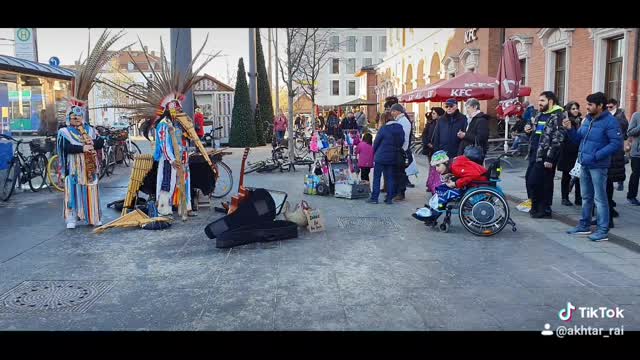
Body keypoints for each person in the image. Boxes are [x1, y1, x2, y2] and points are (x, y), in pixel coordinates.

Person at [565, 92, 623, 242]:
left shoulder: (610, 122)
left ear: (600, 106)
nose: (587, 107)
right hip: (584, 163)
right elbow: (579, 138)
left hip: (598, 165)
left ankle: (603, 230)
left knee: (600, 199)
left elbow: (616, 144)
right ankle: (584, 225)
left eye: (590, 105)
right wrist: (570, 129)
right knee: (586, 197)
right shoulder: (588, 119)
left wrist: (596, 155)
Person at [57, 103, 104, 229]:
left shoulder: (90, 130)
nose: (77, 119)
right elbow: (65, 148)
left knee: (91, 190)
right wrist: (82, 148)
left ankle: (94, 217)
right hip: (74, 167)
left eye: (79, 116)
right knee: (72, 190)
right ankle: (71, 217)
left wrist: (94, 143)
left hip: (90, 167)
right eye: (74, 117)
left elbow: (100, 142)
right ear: (68, 118)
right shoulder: (64, 132)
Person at [412, 150, 488, 226]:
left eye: (438, 165)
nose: (436, 169)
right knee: (441, 188)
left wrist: (455, 183)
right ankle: (434, 208)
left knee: (445, 194)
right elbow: (464, 173)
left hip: (477, 184)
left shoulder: (455, 166)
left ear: (445, 162)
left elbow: (472, 175)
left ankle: (435, 212)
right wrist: (452, 177)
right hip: (473, 183)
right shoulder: (454, 162)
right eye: (435, 167)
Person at [525, 91, 566, 219]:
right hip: (534, 153)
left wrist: (550, 157)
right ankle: (535, 206)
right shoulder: (540, 115)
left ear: (551, 101)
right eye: (539, 100)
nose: (539, 103)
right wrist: (528, 131)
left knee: (543, 183)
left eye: (542, 101)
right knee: (531, 180)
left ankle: (544, 209)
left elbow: (558, 138)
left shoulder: (558, 116)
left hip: (546, 156)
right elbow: (536, 133)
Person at [153, 100, 194, 217]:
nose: (179, 112)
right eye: (177, 110)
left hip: (182, 158)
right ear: (170, 110)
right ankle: (163, 210)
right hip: (168, 160)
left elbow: (185, 140)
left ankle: (185, 207)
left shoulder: (178, 123)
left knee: (184, 183)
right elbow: (163, 144)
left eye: (180, 110)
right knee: (167, 183)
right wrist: (171, 160)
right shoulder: (163, 124)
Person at [367, 112, 404, 204]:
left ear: (383, 120)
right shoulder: (400, 128)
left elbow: (376, 143)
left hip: (381, 157)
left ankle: (374, 198)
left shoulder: (384, 129)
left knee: (377, 177)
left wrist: (374, 152)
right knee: (390, 177)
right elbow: (402, 141)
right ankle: (389, 199)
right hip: (393, 156)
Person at [558, 101, 582, 206]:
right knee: (566, 176)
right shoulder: (565, 121)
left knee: (579, 176)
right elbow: (562, 136)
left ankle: (578, 198)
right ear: (568, 110)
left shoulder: (581, 121)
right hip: (567, 152)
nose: (576, 110)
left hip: (578, 152)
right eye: (573, 108)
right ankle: (565, 198)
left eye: (577, 108)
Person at [389, 103, 412, 201]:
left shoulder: (404, 121)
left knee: (400, 172)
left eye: (393, 111)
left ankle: (400, 192)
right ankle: (396, 191)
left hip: (401, 150)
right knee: (396, 172)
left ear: (398, 111)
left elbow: (403, 137)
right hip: (397, 149)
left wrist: (400, 148)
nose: (392, 113)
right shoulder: (399, 120)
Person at [607, 98, 629, 191]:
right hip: (608, 143)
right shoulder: (607, 114)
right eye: (607, 107)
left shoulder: (620, 115)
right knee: (612, 164)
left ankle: (620, 182)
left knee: (619, 163)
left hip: (618, 143)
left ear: (615, 106)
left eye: (610, 107)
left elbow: (624, 128)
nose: (608, 108)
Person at [627, 112, 640, 205]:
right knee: (635, 175)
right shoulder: (636, 115)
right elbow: (629, 132)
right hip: (637, 153)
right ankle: (631, 196)